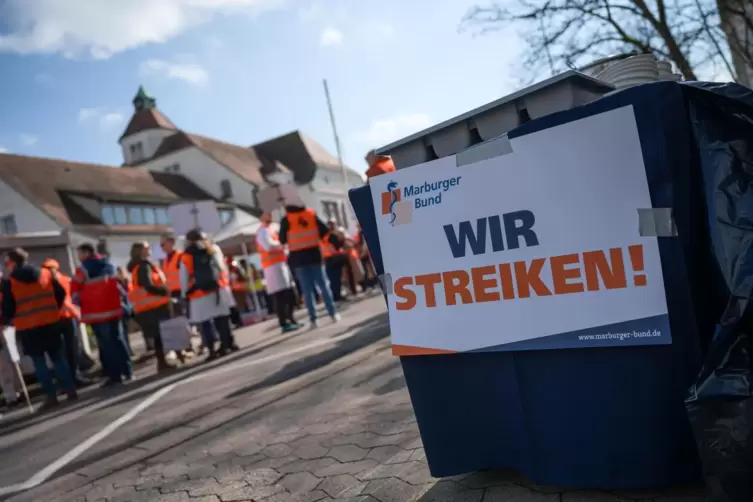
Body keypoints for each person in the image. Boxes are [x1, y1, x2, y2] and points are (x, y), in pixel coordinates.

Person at [1, 248, 77, 409]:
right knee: (58, 358)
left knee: (39, 362)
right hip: (50, 321)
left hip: (28, 327)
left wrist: (8, 319)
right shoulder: (46, 273)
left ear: (13, 262)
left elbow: (9, 307)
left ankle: (51, 396)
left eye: (7, 263)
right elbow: (60, 293)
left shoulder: (11, 282)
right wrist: (52, 308)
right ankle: (70, 389)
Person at [71, 243, 132, 387]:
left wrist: (82, 302)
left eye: (79, 253)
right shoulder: (109, 265)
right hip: (114, 309)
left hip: (97, 314)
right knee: (118, 341)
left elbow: (74, 293)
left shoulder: (82, 270)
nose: (78, 257)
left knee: (106, 345)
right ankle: (127, 371)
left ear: (86, 253)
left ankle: (115, 376)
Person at [278, 205, 340, 329]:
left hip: (298, 259)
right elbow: (325, 232)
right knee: (323, 286)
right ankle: (332, 313)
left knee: (307, 291)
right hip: (315, 255)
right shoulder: (311, 214)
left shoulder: (286, 219)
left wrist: (284, 226)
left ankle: (313, 319)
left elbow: (282, 240)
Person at [180, 229, 238, 360]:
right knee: (222, 319)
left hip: (198, 293)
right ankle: (227, 345)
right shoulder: (213, 249)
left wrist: (185, 293)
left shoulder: (186, 256)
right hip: (217, 289)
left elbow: (183, 278)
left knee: (205, 323)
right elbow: (222, 268)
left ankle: (211, 349)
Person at [127, 241, 175, 372]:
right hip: (154, 305)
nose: (150, 249)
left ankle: (162, 362)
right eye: (148, 247)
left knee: (158, 336)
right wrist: (164, 291)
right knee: (160, 335)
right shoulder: (143, 266)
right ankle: (163, 362)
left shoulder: (137, 267)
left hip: (148, 307)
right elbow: (147, 285)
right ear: (142, 250)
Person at [42, 259, 88, 387]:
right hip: (67, 317)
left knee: (61, 352)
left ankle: (67, 380)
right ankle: (75, 376)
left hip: (55, 319)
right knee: (72, 349)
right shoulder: (66, 280)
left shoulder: (44, 284)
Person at [256, 212, 299, 333]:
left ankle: (291, 317)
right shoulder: (262, 231)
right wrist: (281, 243)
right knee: (280, 295)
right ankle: (284, 322)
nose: (269, 216)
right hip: (272, 266)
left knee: (290, 293)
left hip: (282, 263)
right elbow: (268, 246)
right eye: (266, 214)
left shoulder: (273, 227)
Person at [322, 222, 346, 303]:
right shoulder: (331, 236)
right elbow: (338, 245)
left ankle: (336, 296)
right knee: (336, 279)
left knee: (332, 280)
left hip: (327, 260)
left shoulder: (323, 237)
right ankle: (337, 297)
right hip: (334, 258)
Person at [115, 266, 135, 356]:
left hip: (131, 307)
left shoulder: (129, 282)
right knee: (124, 331)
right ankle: (127, 350)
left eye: (122, 272)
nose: (121, 274)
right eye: (119, 273)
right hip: (123, 309)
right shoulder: (116, 284)